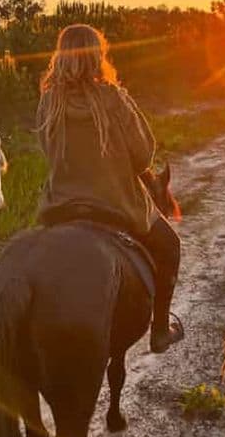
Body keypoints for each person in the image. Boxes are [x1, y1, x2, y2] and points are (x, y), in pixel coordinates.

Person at [36, 24, 184, 353]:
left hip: (61, 207)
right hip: (116, 204)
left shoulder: (49, 101)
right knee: (170, 247)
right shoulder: (113, 97)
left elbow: (48, 152)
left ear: (61, 57)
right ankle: (159, 330)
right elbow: (143, 154)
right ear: (97, 56)